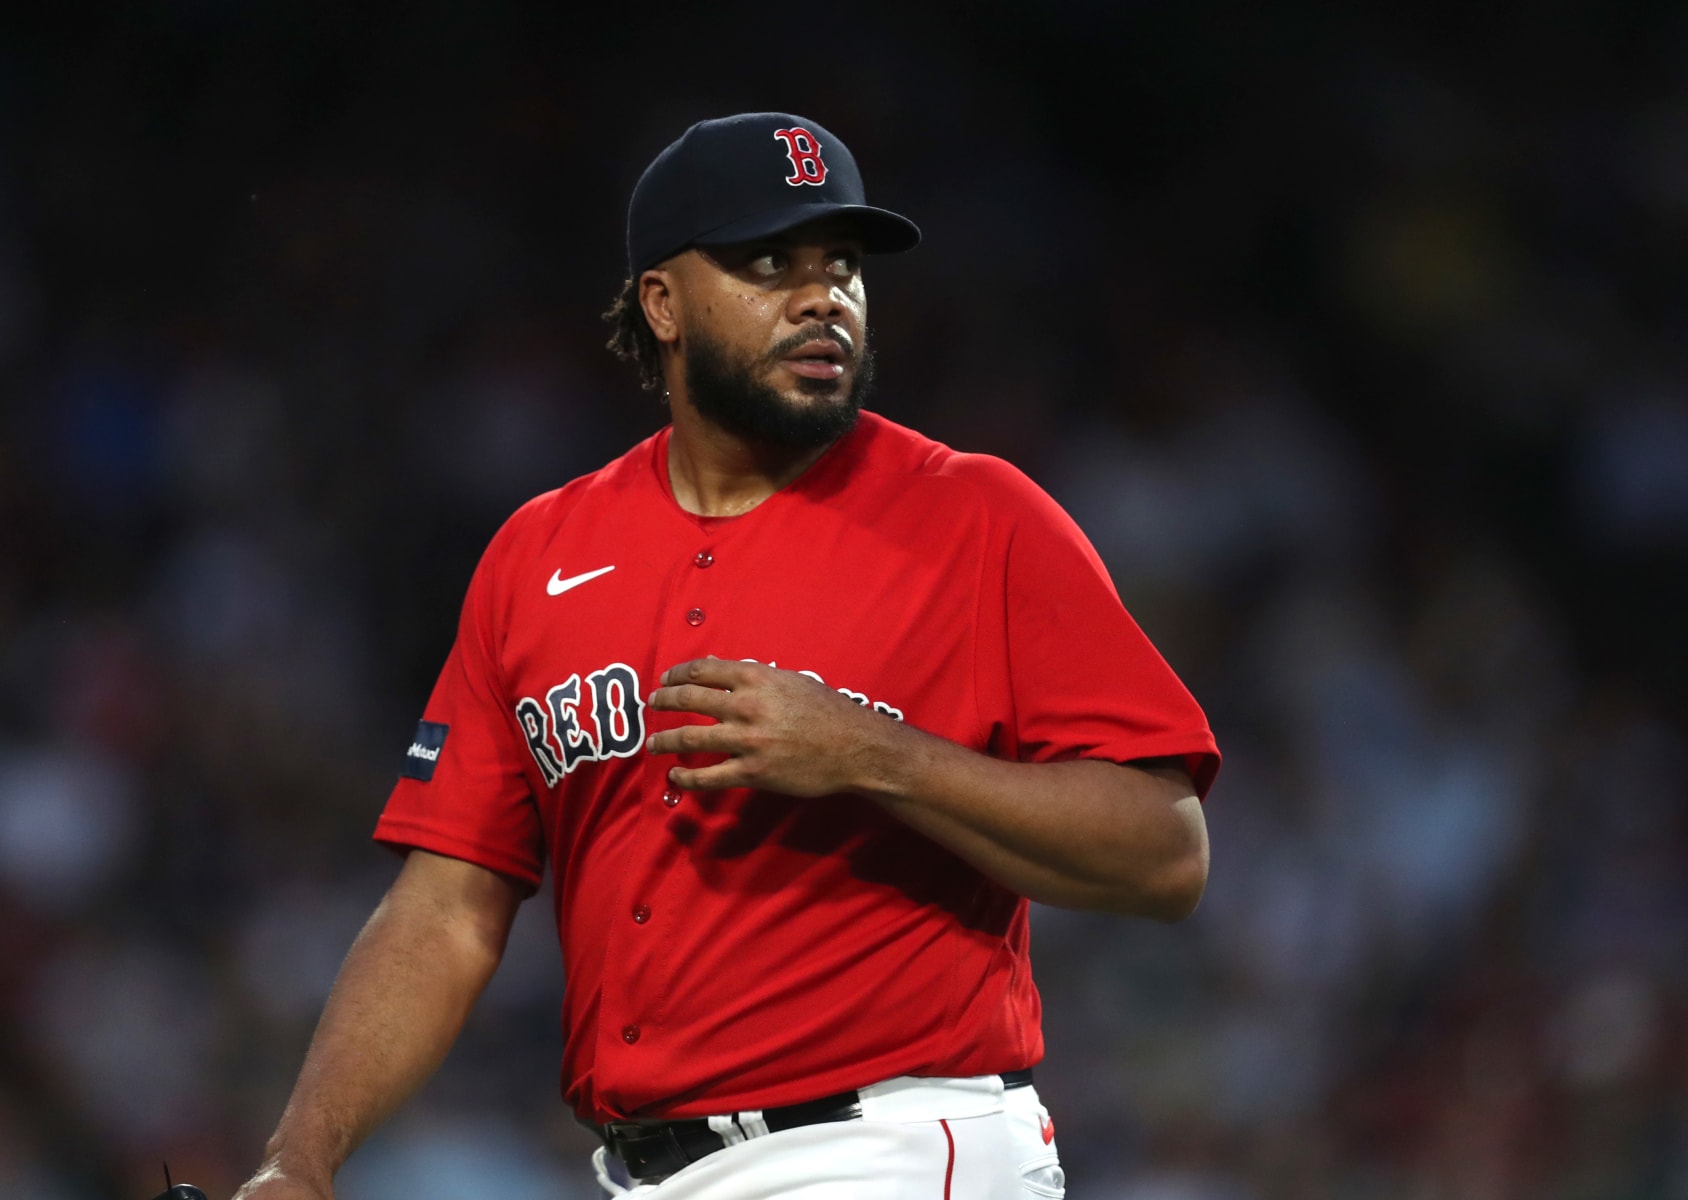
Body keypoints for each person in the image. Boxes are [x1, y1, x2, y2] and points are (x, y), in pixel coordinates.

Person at [233, 112, 1219, 1200]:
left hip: (887, 1147)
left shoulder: (978, 517)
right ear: (661, 303)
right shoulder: (539, 555)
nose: (821, 295)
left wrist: (880, 756)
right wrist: (301, 1159)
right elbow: (446, 907)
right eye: (767, 262)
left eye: (841, 265)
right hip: (643, 1174)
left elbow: (1166, 853)